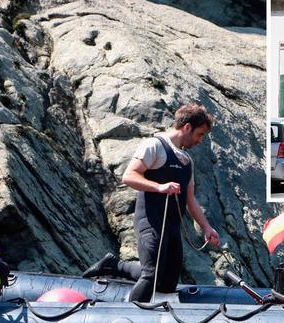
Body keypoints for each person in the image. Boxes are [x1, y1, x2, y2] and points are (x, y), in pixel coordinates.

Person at [90, 104, 220, 303]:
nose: (200, 140)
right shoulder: (155, 145)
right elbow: (129, 176)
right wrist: (159, 187)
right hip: (151, 221)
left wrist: (207, 227)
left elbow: (190, 199)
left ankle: (113, 266)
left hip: (172, 226)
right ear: (187, 127)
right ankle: (125, 319)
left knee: (167, 284)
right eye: (199, 134)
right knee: (150, 276)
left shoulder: (187, 160)